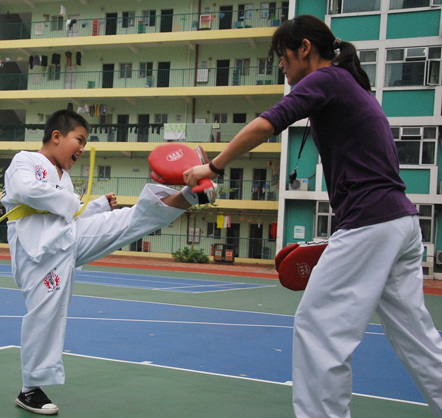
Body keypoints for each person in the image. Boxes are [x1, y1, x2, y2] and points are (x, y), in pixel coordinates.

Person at [183, 15, 442, 418]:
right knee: (416, 337)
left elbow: (267, 123)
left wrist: (213, 166)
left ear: (305, 49)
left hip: (371, 222)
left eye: (282, 56)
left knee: (318, 326)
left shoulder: (327, 79)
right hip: (399, 223)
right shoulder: (350, 85)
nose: (281, 66)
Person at [2, 109, 204, 415]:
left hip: (67, 239)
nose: (82, 148)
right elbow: (25, 191)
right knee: (46, 314)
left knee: (126, 221)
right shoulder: (25, 160)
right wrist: (75, 202)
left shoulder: (64, 177)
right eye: (79, 140)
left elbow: (66, 214)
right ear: (56, 136)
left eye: (85, 143)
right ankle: (30, 390)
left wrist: (97, 206)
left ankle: (191, 195)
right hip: (37, 252)